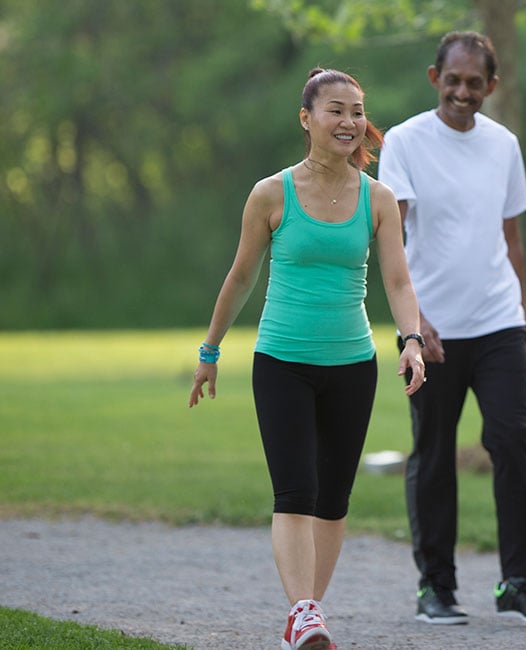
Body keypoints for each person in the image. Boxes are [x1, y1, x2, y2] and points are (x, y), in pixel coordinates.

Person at [188, 68, 427, 650]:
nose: (348, 122)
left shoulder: (378, 198)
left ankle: (307, 612)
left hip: (351, 365)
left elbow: (396, 279)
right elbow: (241, 276)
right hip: (282, 362)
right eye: (335, 110)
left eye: (356, 112)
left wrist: (412, 339)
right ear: (307, 118)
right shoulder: (271, 193)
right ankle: (303, 612)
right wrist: (210, 351)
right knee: (295, 490)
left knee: (333, 498)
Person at [376, 30, 526, 626]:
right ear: (435, 78)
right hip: (431, 330)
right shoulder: (404, 141)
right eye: (451, 80)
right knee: (432, 453)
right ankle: (436, 585)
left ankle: (521, 581)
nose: (461, 91)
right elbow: (391, 240)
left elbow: (512, 241)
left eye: (473, 83)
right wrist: (414, 323)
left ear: (491, 87)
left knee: (511, 441)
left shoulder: (503, 144)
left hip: (499, 321)